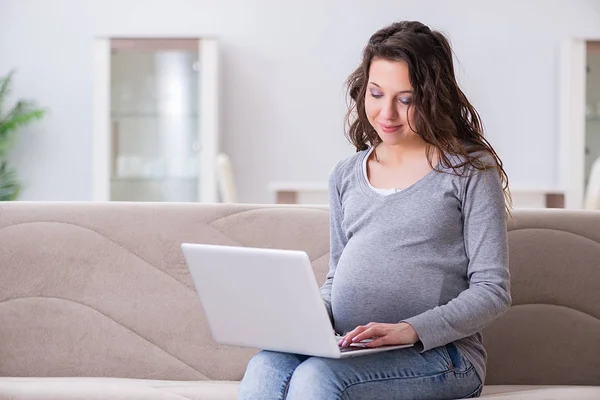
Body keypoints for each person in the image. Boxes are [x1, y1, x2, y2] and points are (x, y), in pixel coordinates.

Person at [238, 20, 511, 400]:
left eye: (406, 99)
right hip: (350, 347)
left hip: (441, 355)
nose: (387, 113)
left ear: (433, 97)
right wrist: (306, 318)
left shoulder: (469, 170)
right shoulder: (346, 175)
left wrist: (410, 329)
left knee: (318, 378)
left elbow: (492, 291)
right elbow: (336, 278)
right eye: (376, 93)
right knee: (265, 365)